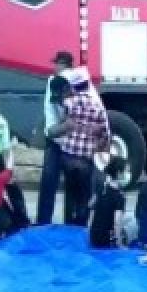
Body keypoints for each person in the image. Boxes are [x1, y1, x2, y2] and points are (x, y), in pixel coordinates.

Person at [46, 74, 110, 226]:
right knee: (84, 195)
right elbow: (104, 134)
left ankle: (69, 223)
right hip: (85, 160)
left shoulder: (69, 102)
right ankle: (81, 224)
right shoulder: (98, 106)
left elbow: (63, 125)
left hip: (68, 157)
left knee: (70, 193)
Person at [38, 51, 75, 225]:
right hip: (63, 140)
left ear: (63, 65)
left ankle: (55, 223)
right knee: (59, 181)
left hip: (63, 140)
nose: (54, 67)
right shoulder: (55, 82)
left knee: (60, 182)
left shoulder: (65, 82)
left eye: (56, 64)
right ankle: (52, 223)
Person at [89, 157, 130, 249]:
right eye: (127, 171)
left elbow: (91, 205)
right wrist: (120, 244)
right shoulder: (119, 196)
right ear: (119, 173)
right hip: (105, 240)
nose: (129, 174)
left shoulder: (101, 187)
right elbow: (117, 222)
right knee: (132, 223)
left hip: (93, 236)